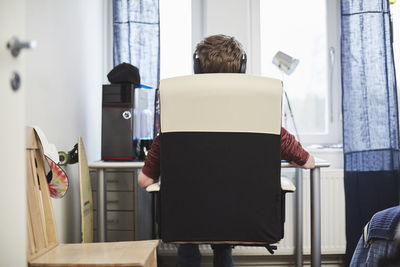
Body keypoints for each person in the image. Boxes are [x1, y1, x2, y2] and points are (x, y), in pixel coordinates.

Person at [138, 34, 315, 267]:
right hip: (237, 217)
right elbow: (308, 162)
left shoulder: (176, 120)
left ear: (197, 68)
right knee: (223, 214)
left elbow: (144, 180)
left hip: (187, 218)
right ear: (241, 68)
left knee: (189, 217)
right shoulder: (263, 118)